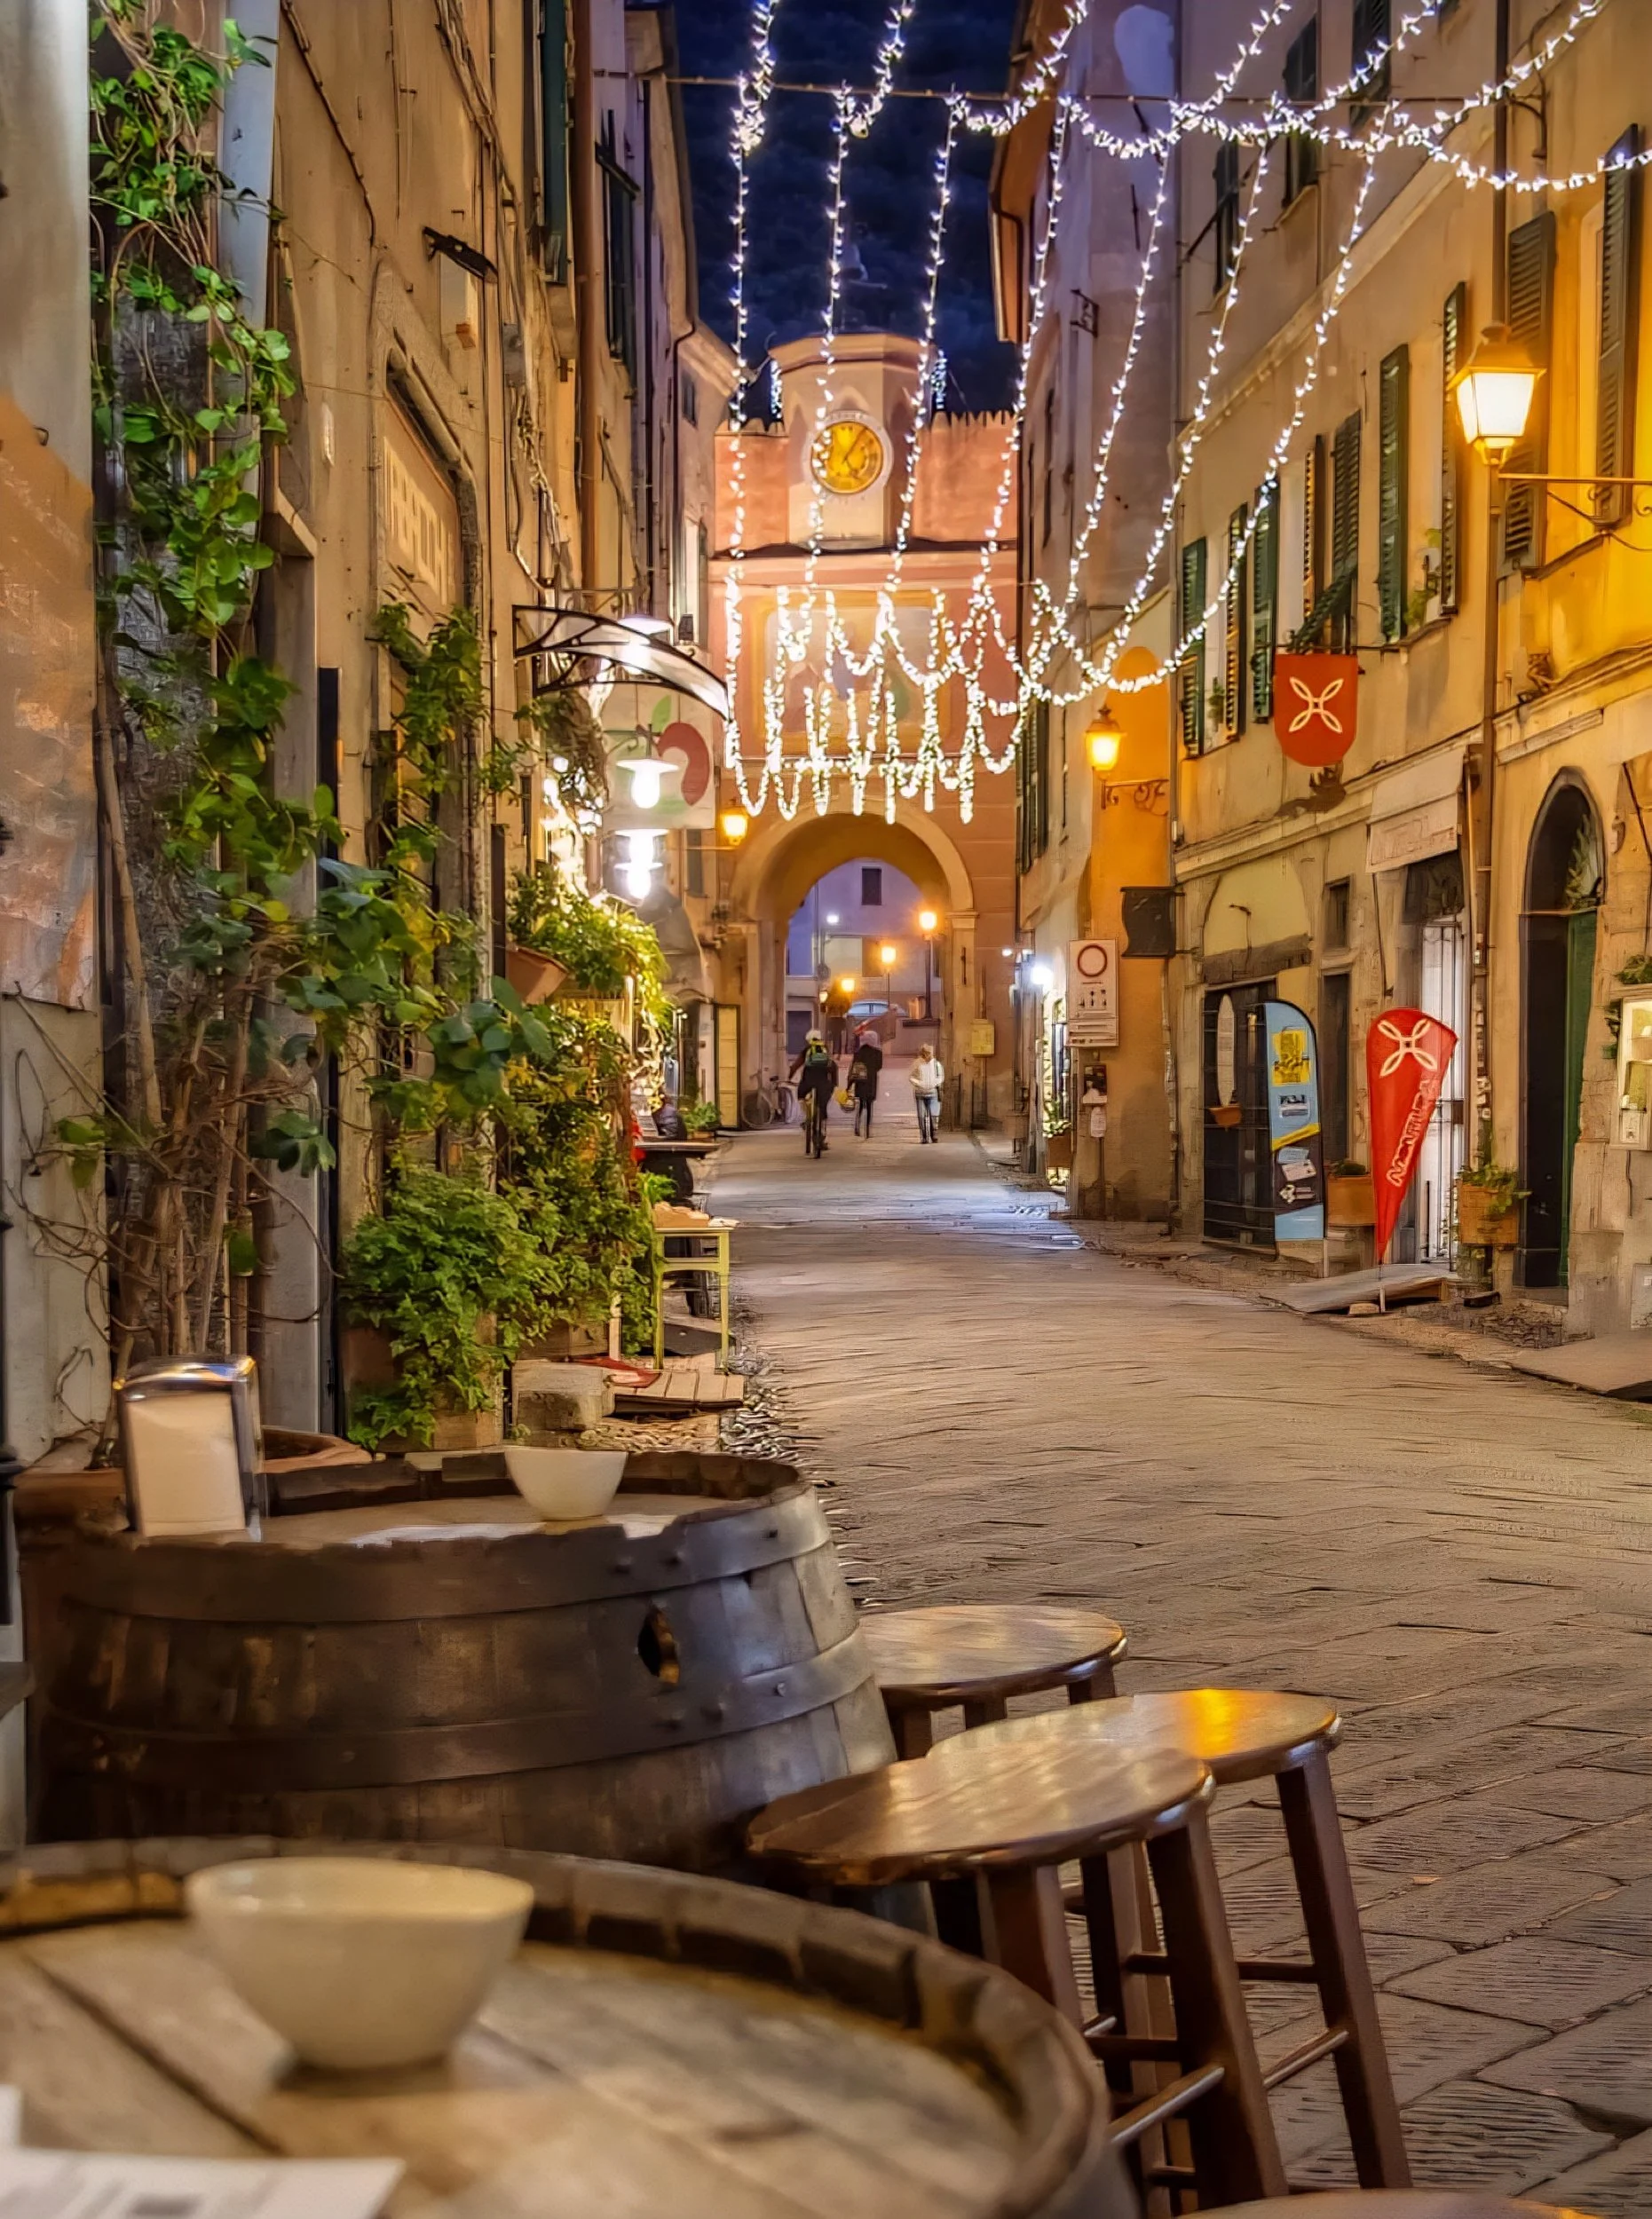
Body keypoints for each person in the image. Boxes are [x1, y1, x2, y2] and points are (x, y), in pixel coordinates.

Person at [788, 1030, 838, 1155]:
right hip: (823, 1084)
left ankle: (808, 1118)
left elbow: (795, 1066)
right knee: (823, 1106)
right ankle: (821, 1133)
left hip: (808, 1083)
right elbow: (833, 1067)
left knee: (802, 1097)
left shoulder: (807, 1050)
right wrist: (834, 1084)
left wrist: (789, 1078)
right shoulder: (825, 1049)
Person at [848, 1027, 883, 1138]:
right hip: (871, 1081)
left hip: (860, 1081)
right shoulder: (877, 1053)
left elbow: (853, 1068)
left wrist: (849, 1084)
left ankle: (857, 1125)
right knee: (869, 1105)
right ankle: (867, 1129)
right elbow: (879, 1066)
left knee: (860, 1104)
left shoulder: (858, 1052)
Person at [910, 1044, 944, 1143]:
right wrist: (919, 1083)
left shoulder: (936, 1064)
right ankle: (924, 1136)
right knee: (922, 1116)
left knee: (933, 1115)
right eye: (927, 1053)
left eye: (930, 1053)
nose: (929, 1055)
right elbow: (911, 1077)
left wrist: (933, 1083)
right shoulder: (917, 1064)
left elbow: (941, 1077)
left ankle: (934, 1135)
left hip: (933, 1093)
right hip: (920, 1094)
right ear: (923, 1053)